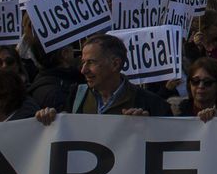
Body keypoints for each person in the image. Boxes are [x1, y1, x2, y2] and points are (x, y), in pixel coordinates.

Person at [36, 35, 173, 122]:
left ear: (115, 64)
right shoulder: (74, 96)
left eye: (91, 62)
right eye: (83, 62)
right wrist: (50, 120)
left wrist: (150, 128)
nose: (83, 70)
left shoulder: (151, 104)